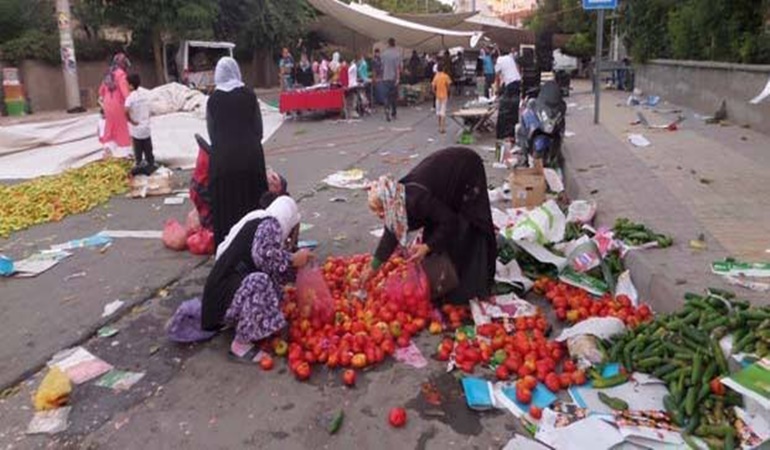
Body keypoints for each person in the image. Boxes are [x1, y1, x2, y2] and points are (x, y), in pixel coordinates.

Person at [363, 147, 496, 305]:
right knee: (437, 238)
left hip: (466, 170)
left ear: (389, 204)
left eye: (381, 210)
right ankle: (449, 283)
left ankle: (472, 286)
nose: (380, 216)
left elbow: (449, 221)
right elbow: (390, 235)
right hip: (444, 182)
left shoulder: (416, 200)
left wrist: (427, 246)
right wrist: (373, 268)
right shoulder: (397, 203)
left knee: (466, 229)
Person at [201, 196, 313, 361]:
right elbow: (263, 257)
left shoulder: (263, 222)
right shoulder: (270, 225)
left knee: (271, 286)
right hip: (222, 297)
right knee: (260, 282)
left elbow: (270, 266)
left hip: (228, 293)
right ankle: (241, 345)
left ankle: (247, 322)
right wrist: (293, 259)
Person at [207, 57, 269, 246]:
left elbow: (212, 133)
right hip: (250, 159)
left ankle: (227, 253)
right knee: (252, 205)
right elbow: (259, 130)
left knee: (227, 208)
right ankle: (256, 249)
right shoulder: (249, 96)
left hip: (223, 162)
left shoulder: (213, 100)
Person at [98, 53, 132, 158]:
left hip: (107, 105)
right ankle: (125, 154)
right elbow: (125, 93)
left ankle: (108, 150)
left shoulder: (109, 74)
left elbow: (101, 91)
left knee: (110, 127)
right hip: (118, 105)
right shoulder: (121, 74)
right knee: (122, 129)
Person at [124, 74, 155, 176]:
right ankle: (150, 167)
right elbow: (151, 107)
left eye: (127, 84)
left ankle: (139, 169)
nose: (126, 86)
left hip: (136, 130)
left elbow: (126, 111)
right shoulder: (145, 93)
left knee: (138, 152)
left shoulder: (130, 98)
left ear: (131, 86)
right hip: (146, 128)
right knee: (148, 151)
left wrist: (131, 121)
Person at [495, 47, 522, 141]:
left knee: (505, 108)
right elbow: (517, 70)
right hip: (517, 82)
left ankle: (503, 134)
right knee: (514, 107)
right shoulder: (510, 58)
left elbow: (497, 77)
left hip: (510, 84)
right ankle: (512, 132)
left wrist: (497, 90)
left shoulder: (499, 60)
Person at [381, 38, 402, 122]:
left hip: (385, 78)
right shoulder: (397, 54)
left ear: (388, 44)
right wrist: (398, 78)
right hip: (393, 78)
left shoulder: (383, 54)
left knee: (386, 96)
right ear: (394, 44)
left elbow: (382, 67)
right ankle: (394, 113)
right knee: (393, 97)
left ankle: (387, 110)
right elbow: (398, 68)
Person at [432, 65, 452, 134]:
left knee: (438, 112)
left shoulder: (436, 76)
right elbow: (448, 86)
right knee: (443, 112)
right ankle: (442, 128)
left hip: (438, 96)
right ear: (443, 69)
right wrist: (448, 92)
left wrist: (435, 93)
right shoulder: (446, 76)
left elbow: (433, 86)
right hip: (444, 96)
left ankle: (439, 126)